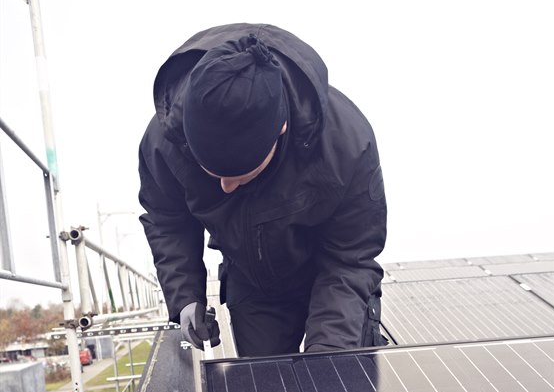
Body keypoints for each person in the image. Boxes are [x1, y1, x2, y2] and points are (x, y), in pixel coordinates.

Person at [138, 23, 387, 357]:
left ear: (280, 128)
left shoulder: (346, 145)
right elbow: (168, 219)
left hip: (332, 276)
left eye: (240, 174)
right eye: (213, 173)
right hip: (253, 286)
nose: (226, 187)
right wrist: (184, 296)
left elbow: (351, 259)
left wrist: (328, 349)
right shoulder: (163, 143)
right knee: (266, 391)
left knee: (335, 382)